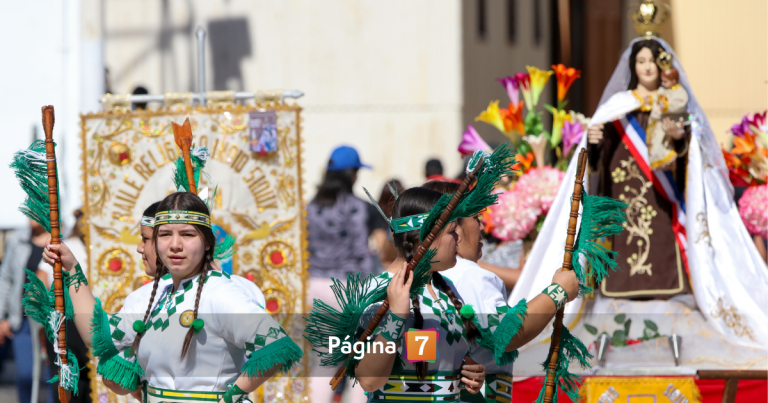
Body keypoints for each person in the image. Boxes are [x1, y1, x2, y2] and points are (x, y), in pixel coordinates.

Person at [41, 192, 303, 401]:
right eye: (165, 234)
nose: (175, 245)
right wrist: (73, 269)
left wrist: (230, 398)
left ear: (208, 242)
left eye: (187, 234)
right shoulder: (150, 297)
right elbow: (99, 337)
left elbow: (276, 348)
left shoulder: (222, 293)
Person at [423, 181, 578, 402]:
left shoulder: (425, 275)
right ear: (453, 228)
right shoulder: (468, 274)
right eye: (476, 218)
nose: (482, 227)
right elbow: (507, 332)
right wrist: (558, 292)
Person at [305, 145, 386, 402]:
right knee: (361, 361)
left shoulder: (310, 207)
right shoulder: (360, 207)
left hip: (312, 287)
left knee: (323, 362)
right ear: (352, 175)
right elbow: (377, 246)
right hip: (347, 290)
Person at [0, 219, 55, 403]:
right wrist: (2, 317)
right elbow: (6, 278)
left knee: (52, 378)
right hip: (22, 320)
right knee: (25, 375)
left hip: (53, 323)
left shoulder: (62, 240)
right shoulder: (18, 240)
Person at [647, 52, 688, 170]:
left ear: (674, 81)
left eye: (666, 81)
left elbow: (680, 103)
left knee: (663, 140)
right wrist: (651, 99)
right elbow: (657, 97)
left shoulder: (679, 92)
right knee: (656, 140)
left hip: (672, 120)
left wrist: (666, 106)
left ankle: (664, 157)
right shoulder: (663, 90)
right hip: (659, 120)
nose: (663, 84)